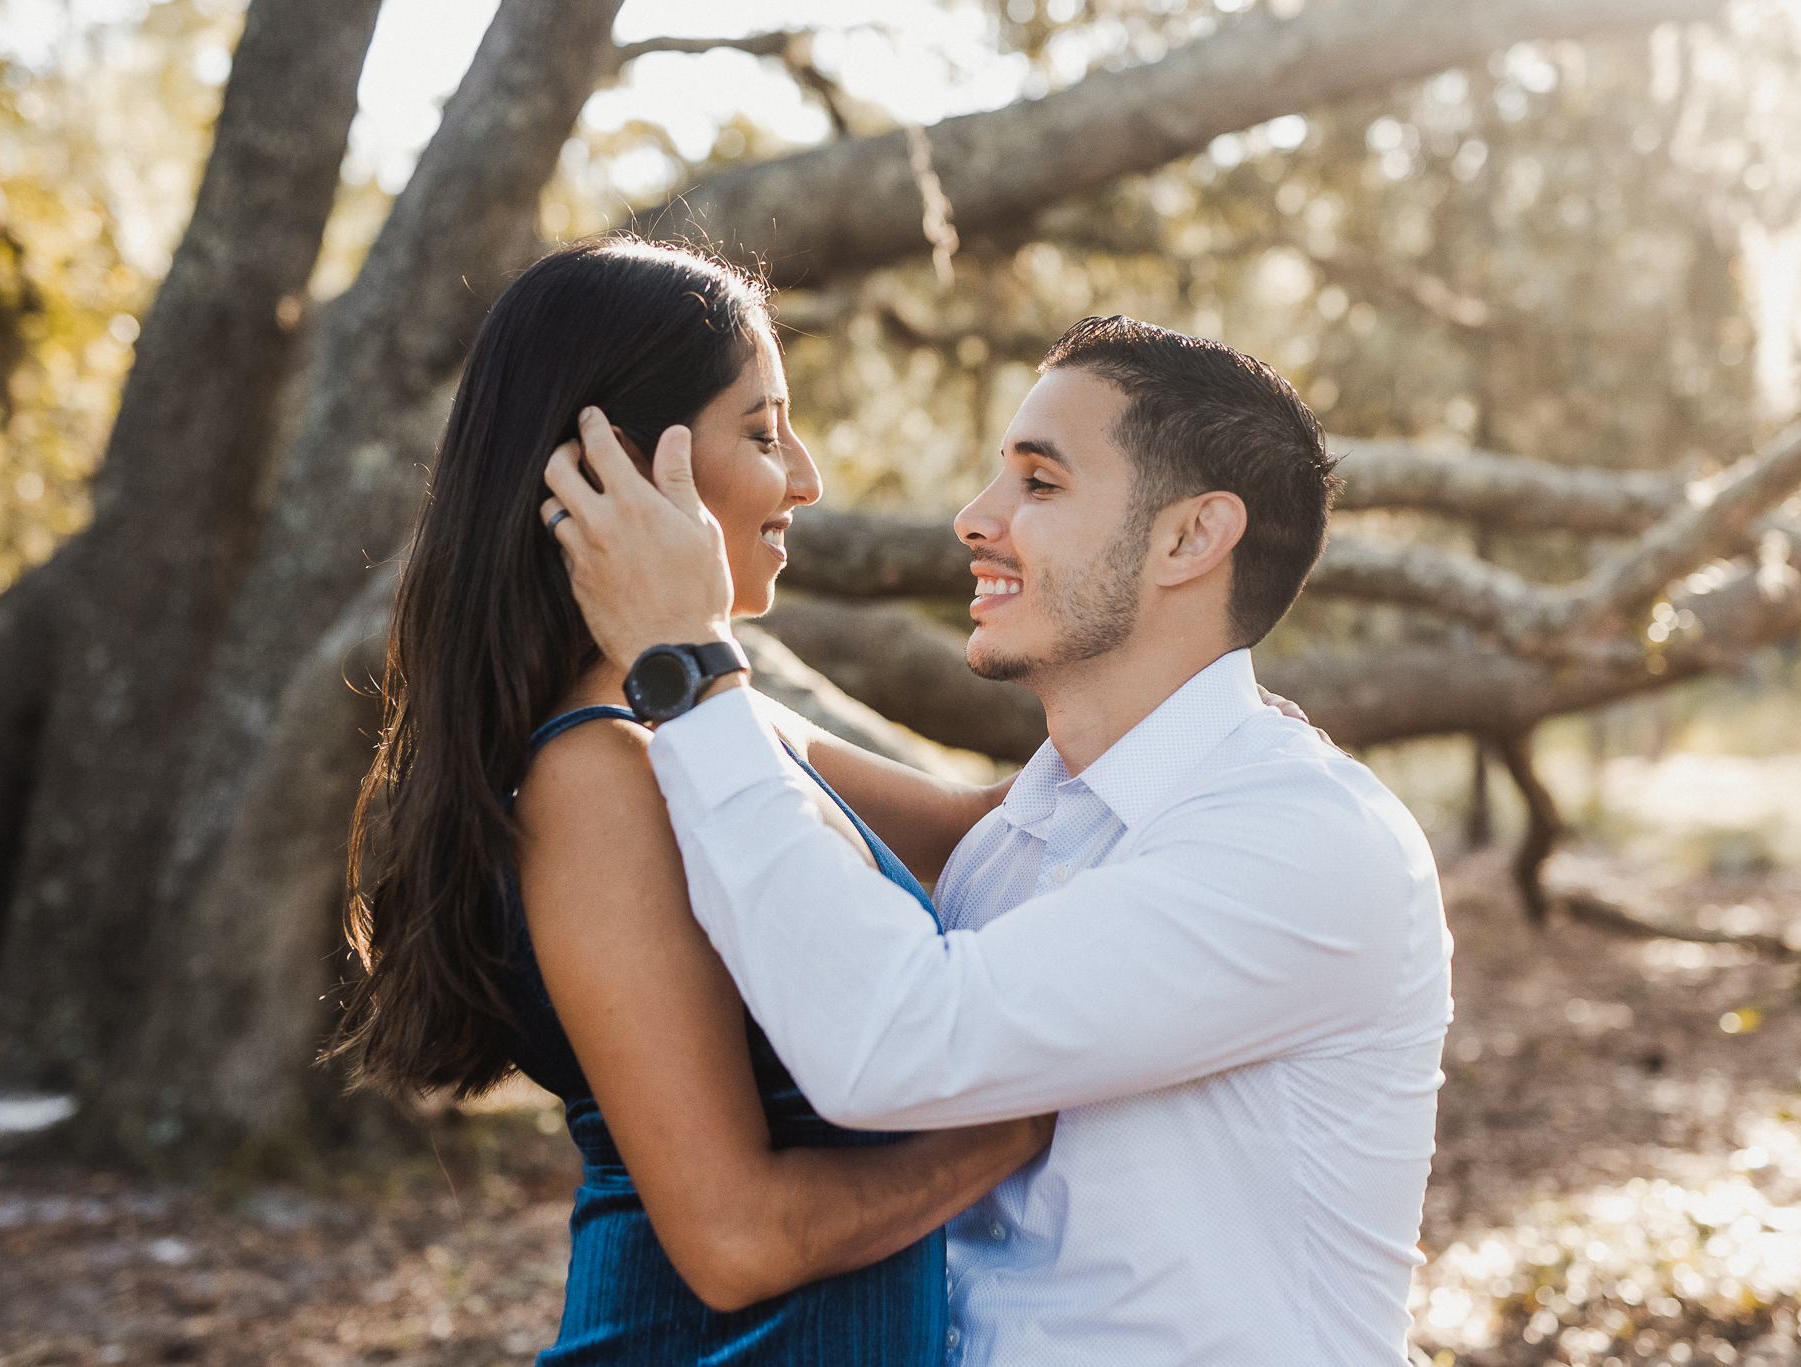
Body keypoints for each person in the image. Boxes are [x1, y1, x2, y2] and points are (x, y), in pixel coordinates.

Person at [542, 315, 1456, 1366]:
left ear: (1189, 538)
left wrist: (689, 661)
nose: (974, 520)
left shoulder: (1304, 841)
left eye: (1039, 483)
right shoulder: (1011, 840)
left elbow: (889, 1044)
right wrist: (651, 649)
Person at [328, 238, 1055, 1366]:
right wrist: (1015, 1122)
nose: (804, 478)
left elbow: (996, 834)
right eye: (762, 433)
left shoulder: (717, 723)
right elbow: (734, 1237)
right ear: (619, 466)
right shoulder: (596, 776)